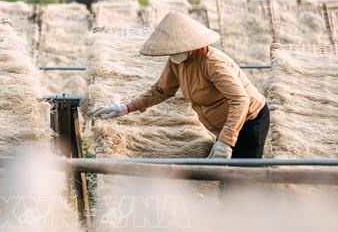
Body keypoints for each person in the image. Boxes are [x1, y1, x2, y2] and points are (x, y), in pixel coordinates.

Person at [92, 11, 269, 159]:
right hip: (226, 125)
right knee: (226, 178)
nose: (173, 55)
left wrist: (225, 142)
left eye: (177, 50)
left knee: (242, 180)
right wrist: (127, 107)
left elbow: (240, 100)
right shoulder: (176, 62)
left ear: (192, 45)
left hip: (249, 121)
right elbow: (161, 90)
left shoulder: (213, 63)